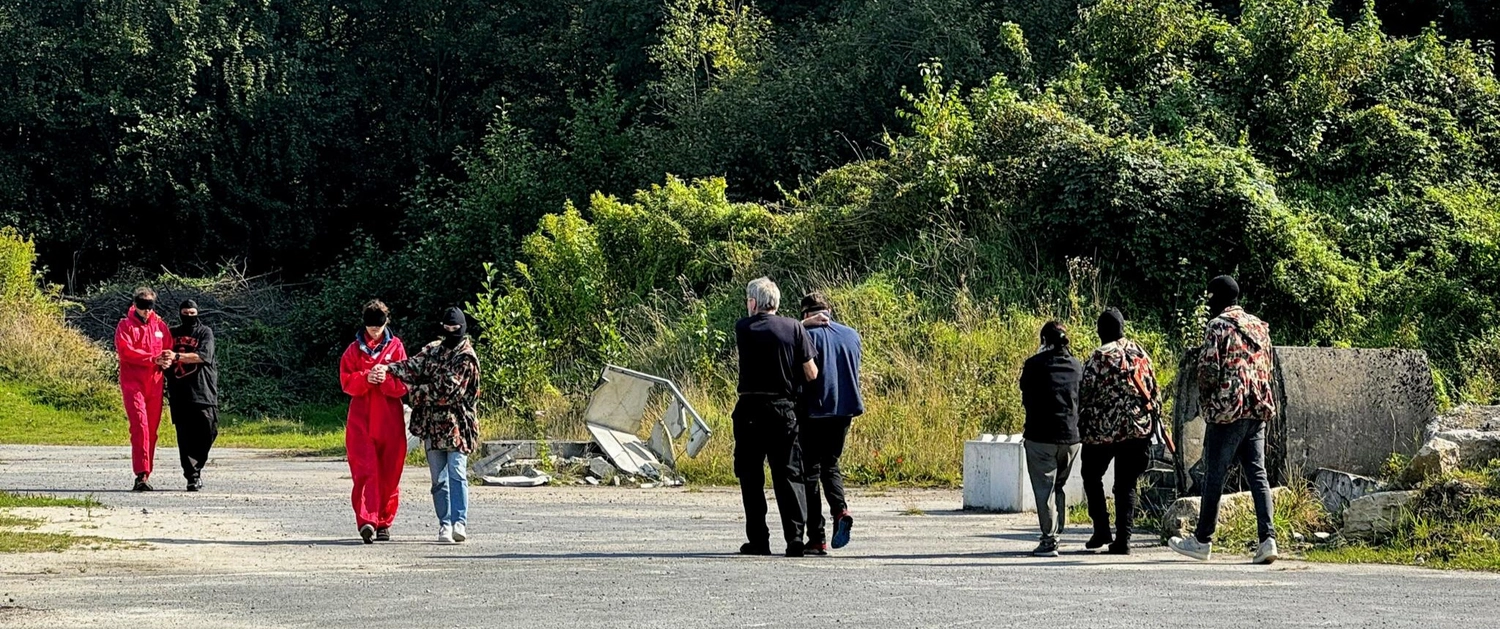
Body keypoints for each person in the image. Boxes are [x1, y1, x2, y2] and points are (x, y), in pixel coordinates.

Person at [1169, 275, 1280, 565]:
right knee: (1258, 473)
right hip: (1257, 409)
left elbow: (1207, 370)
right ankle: (1267, 539)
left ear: (1218, 299)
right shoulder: (1260, 326)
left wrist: (1208, 402)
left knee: (1215, 474)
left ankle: (1203, 540)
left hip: (1228, 410)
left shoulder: (1217, 326)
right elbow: (1268, 367)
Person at [377, 307, 481, 545]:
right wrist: (388, 368)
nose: (451, 332)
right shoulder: (433, 350)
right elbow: (412, 366)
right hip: (432, 426)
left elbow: (448, 391)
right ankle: (444, 524)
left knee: (457, 473)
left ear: (463, 329)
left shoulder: (466, 357)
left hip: (458, 426)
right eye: (448, 329)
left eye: (456, 329)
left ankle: (459, 522)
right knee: (438, 480)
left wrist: (413, 392)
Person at [733, 277, 817, 558]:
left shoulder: (742, 328)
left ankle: (759, 539)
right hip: (783, 409)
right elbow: (811, 372)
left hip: (750, 410)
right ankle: (795, 538)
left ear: (753, 303)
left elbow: (763, 326)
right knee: (789, 474)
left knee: (751, 476)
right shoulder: (794, 327)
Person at [1077, 308, 1161, 555]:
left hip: (1102, 431)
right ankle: (1123, 540)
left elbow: (1085, 393)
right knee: (1127, 484)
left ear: (1100, 331)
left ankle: (1101, 528)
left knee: (1091, 475)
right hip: (1138, 429)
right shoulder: (1140, 352)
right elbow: (1154, 389)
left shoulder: (1099, 357)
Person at [796, 293, 863, 556]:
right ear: (829, 310)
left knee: (809, 471)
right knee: (831, 464)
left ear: (805, 315)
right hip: (844, 410)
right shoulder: (851, 335)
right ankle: (840, 510)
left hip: (814, 410)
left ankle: (817, 538)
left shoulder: (805, 335)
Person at [339, 300, 409, 544]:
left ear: (386, 323)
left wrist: (386, 379)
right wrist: (367, 377)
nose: (374, 332)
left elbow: (403, 384)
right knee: (365, 470)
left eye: (378, 328)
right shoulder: (353, 350)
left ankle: (384, 522)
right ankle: (366, 520)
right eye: (370, 328)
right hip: (361, 419)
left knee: (390, 472)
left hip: (390, 418)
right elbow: (346, 382)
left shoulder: (396, 347)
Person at [1018, 321, 1083, 557]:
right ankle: (1058, 534)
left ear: (1044, 341)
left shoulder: (1034, 365)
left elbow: (1025, 392)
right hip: (1071, 439)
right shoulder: (1077, 366)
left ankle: (1049, 540)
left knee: (1044, 489)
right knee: (1059, 486)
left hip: (1040, 437)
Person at [115, 287, 173, 491]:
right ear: (135, 304)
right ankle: (140, 473)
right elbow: (126, 351)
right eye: (142, 305)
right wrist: (152, 359)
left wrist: (166, 359)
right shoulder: (125, 325)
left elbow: (168, 348)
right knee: (140, 426)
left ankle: (147, 473)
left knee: (152, 430)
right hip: (133, 383)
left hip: (155, 383)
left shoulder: (160, 326)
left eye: (149, 306)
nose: (146, 310)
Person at [165, 300, 219, 492]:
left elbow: (203, 356)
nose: (189, 316)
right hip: (180, 392)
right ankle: (192, 476)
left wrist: (176, 357)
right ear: (180, 313)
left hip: (203, 390)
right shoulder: (171, 333)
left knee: (209, 430)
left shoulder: (205, 332)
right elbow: (161, 354)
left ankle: (198, 462)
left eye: (192, 312)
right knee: (185, 437)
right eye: (185, 313)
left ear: (198, 313)